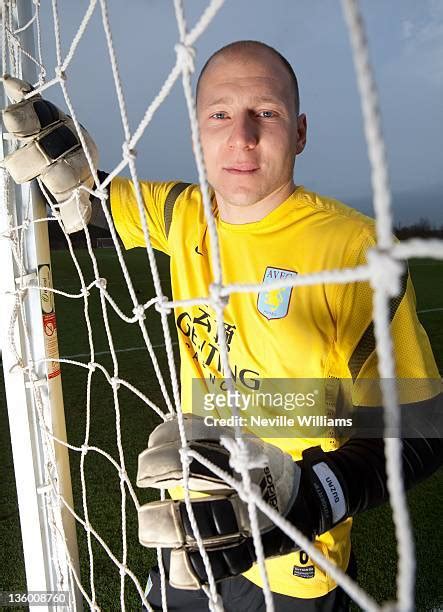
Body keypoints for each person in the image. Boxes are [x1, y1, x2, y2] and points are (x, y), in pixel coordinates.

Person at [2, 40, 442, 612]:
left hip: (296, 563)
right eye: (220, 114)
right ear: (198, 133)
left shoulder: (353, 250)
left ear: (300, 131)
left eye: (266, 111)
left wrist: (300, 501)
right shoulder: (183, 212)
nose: (242, 135)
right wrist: (65, 168)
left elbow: (421, 429)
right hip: (190, 526)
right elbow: (92, 205)